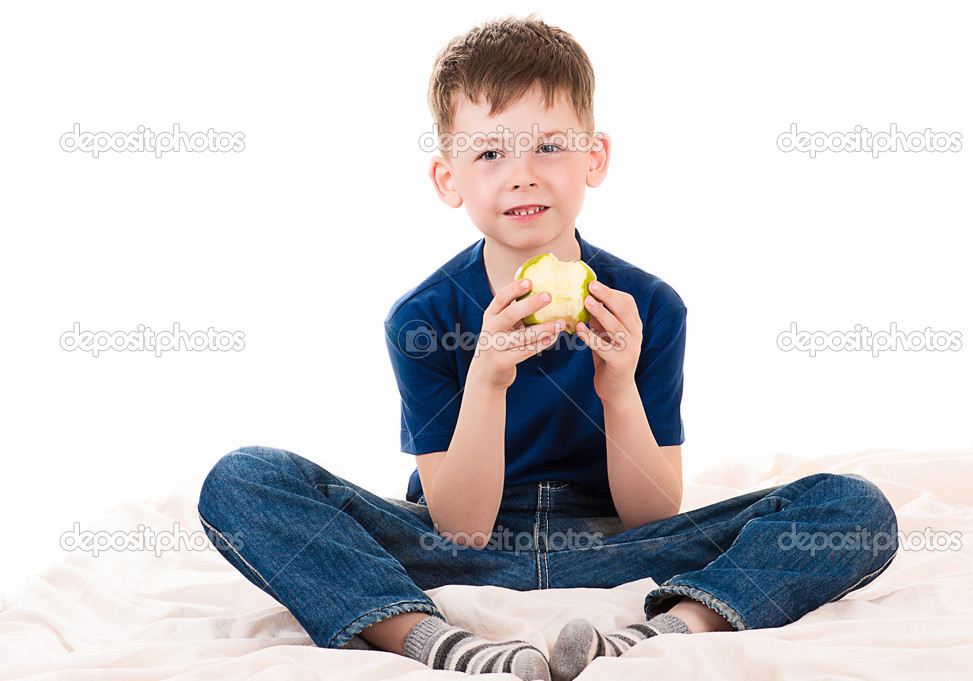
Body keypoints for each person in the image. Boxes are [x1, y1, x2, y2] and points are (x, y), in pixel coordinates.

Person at [197, 14, 899, 681]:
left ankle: (660, 633)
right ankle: (434, 639)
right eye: (490, 152)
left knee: (852, 507)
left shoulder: (649, 306)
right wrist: (485, 381)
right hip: (455, 552)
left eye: (549, 146)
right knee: (243, 478)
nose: (522, 172)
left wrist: (617, 387)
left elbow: (654, 518)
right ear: (449, 179)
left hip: (614, 548)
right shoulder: (422, 316)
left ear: (593, 159)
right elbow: (460, 529)